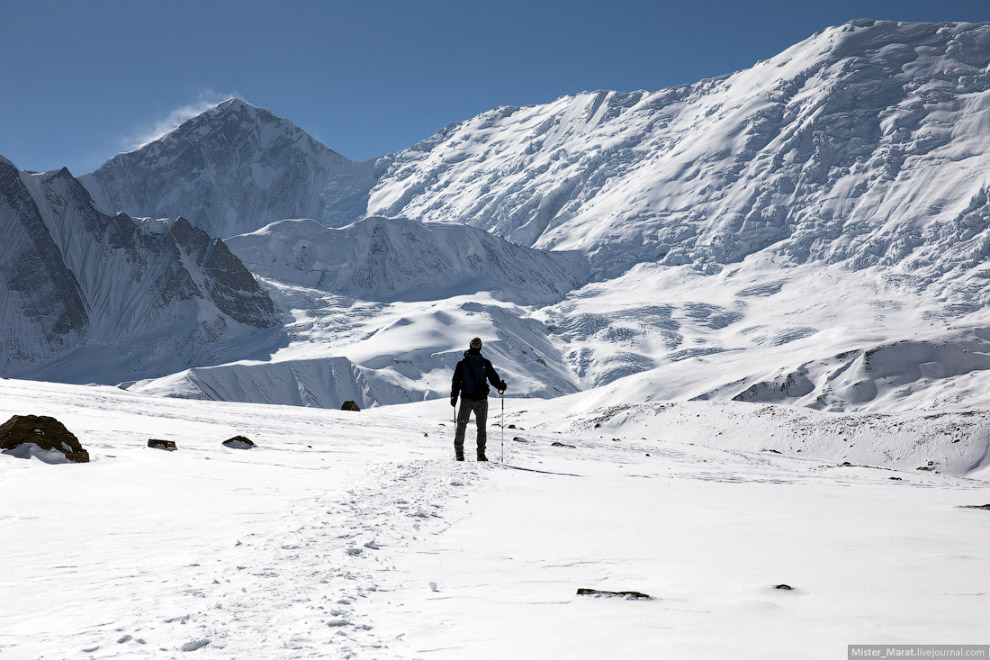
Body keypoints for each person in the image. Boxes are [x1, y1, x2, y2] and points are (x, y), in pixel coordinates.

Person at [450, 337, 507, 461]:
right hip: (466, 398)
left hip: (481, 399)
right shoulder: (462, 363)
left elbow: (493, 378)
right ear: (470, 345)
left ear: (480, 346)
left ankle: (481, 454)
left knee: (481, 428)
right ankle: (459, 453)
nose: (475, 346)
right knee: (461, 426)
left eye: (477, 344)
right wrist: (454, 396)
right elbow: (456, 381)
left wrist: (500, 385)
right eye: (473, 344)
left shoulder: (485, 363)